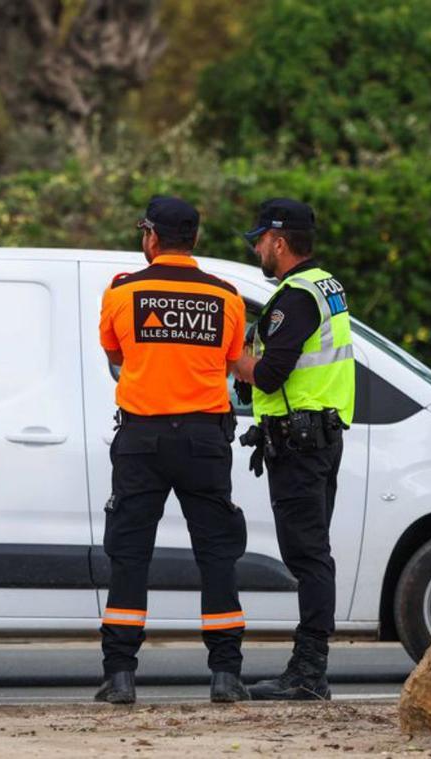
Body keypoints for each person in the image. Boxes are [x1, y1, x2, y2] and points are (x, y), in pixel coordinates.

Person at [95, 196, 249, 705]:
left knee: (129, 554)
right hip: (205, 440)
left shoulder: (122, 291)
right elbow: (232, 364)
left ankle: (120, 675)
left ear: (152, 239)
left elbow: (115, 355)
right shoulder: (227, 297)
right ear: (196, 240)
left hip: (141, 439)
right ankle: (226, 674)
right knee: (217, 554)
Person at [233, 198, 354, 701]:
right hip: (318, 437)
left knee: (307, 555)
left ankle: (308, 672)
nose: (258, 248)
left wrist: (228, 356)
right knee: (312, 553)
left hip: (301, 443)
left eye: (260, 239)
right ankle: (308, 667)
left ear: (279, 243)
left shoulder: (294, 298)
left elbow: (268, 372)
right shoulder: (326, 285)